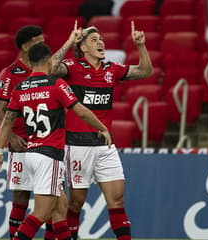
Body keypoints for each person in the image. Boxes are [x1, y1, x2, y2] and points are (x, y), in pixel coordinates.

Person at [0, 42, 112, 240]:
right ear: (49, 61)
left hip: (30, 155)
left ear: (30, 61)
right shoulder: (56, 84)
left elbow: (7, 122)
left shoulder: (20, 87)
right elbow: (79, 109)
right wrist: (102, 127)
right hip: (49, 155)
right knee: (41, 213)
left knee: (59, 209)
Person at [50, 21, 153, 240]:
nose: (101, 43)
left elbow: (145, 71)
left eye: (102, 40)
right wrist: (70, 41)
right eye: (94, 40)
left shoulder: (111, 69)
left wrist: (141, 46)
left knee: (117, 200)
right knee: (76, 203)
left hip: (106, 146)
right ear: (83, 48)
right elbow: (50, 68)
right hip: (77, 145)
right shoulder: (73, 67)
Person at [0, 24, 82, 240]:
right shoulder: (9, 75)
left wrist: (71, 41)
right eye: (38, 41)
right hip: (23, 144)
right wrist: (12, 138)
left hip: (45, 144)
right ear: (25, 46)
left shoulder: (44, 68)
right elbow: (0, 111)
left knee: (55, 203)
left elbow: (56, 61)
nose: (43, 44)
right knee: (23, 197)